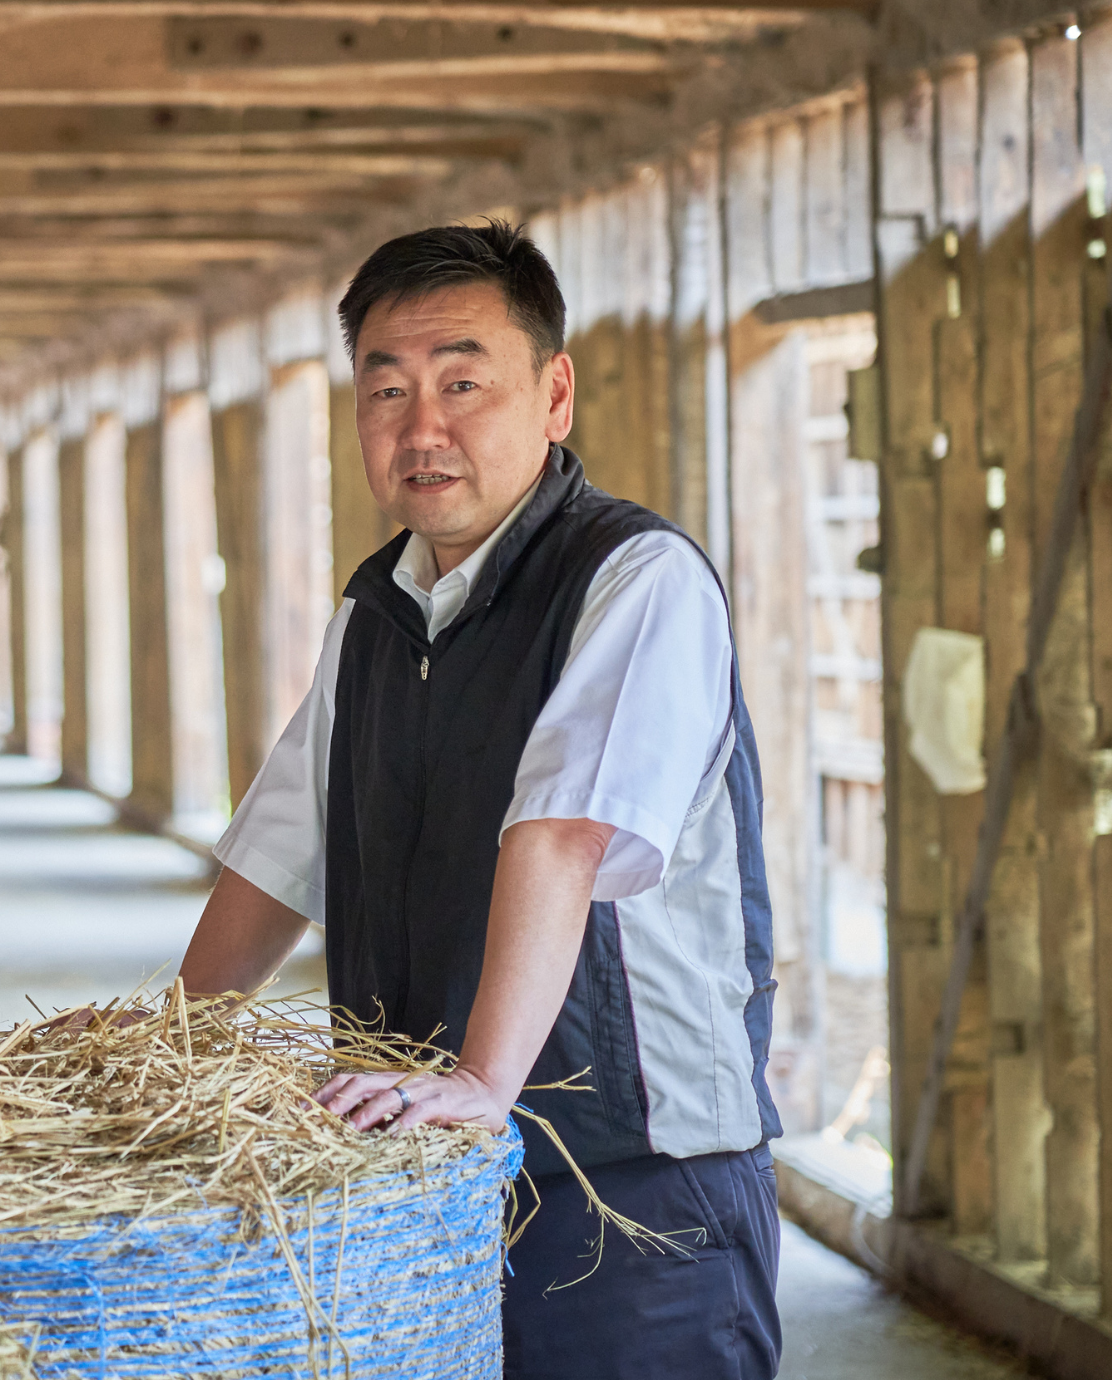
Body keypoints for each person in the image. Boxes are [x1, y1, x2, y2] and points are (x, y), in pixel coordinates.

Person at [177, 222, 781, 1378]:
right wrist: (172, 1040)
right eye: (386, 391)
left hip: (627, 1173)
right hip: (427, 1162)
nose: (422, 430)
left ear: (553, 396)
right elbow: (283, 849)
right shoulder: (377, 609)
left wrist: (482, 1082)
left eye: (463, 384)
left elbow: (563, 832)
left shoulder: (632, 580)